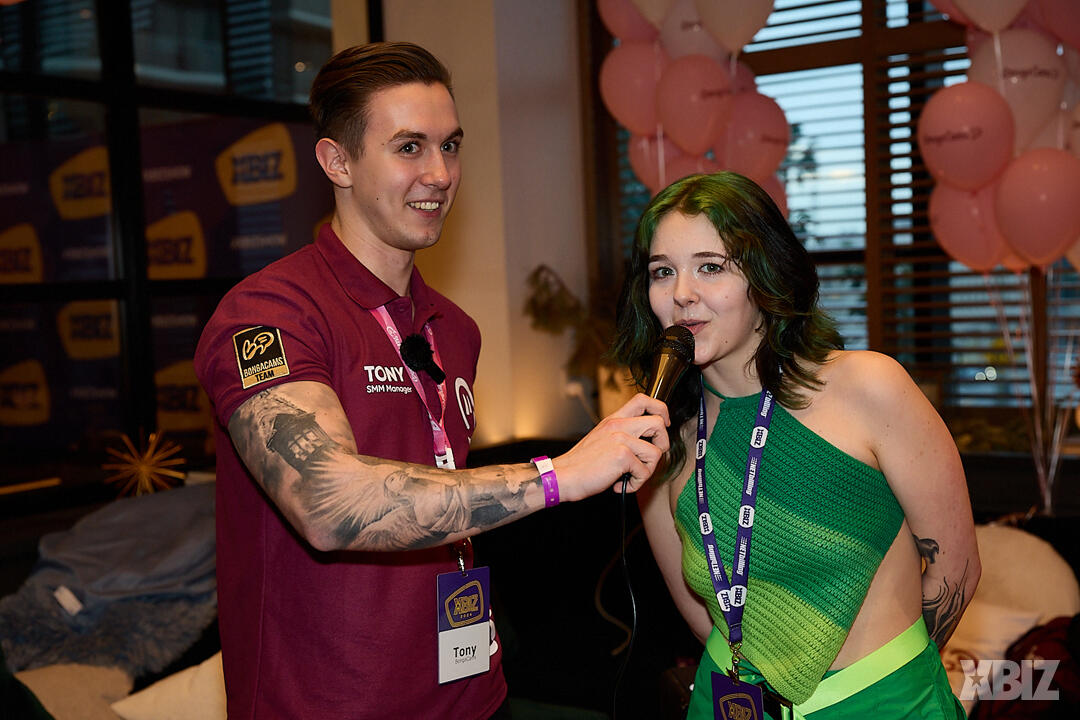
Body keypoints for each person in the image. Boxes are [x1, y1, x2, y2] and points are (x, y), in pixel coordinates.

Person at [193, 41, 669, 720]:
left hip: (473, 694)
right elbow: (326, 504)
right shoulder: (269, 314)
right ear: (337, 162)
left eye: (451, 146)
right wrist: (557, 476)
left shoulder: (454, 328)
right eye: (409, 147)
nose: (441, 174)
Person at [610, 171, 980, 719]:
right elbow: (703, 612)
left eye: (711, 267)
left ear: (765, 275)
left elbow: (956, 569)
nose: (682, 292)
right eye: (663, 272)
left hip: (884, 702)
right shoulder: (663, 439)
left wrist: (893, 679)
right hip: (727, 702)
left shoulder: (867, 387)